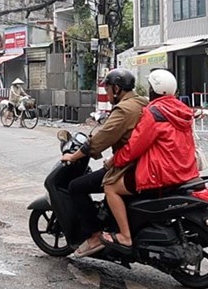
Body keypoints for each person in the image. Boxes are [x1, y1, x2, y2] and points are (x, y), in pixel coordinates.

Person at [100, 69, 199, 255]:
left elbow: (133, 148)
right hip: (186, 171)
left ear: (154, 90)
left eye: (150, 87)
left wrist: (115, 161)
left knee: (110, 187)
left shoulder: (154, 113)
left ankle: (125, 236)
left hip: (161, 173)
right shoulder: (182, 110)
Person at [60, 68, 148, 257]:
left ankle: (94, 234)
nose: (107, 95)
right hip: (135, 160)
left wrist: (73, 156)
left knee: (76, 186)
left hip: (129, 166)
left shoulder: (124, 109)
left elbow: (101, 138)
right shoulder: (142, 103)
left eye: (108, 90)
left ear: (116, 88)